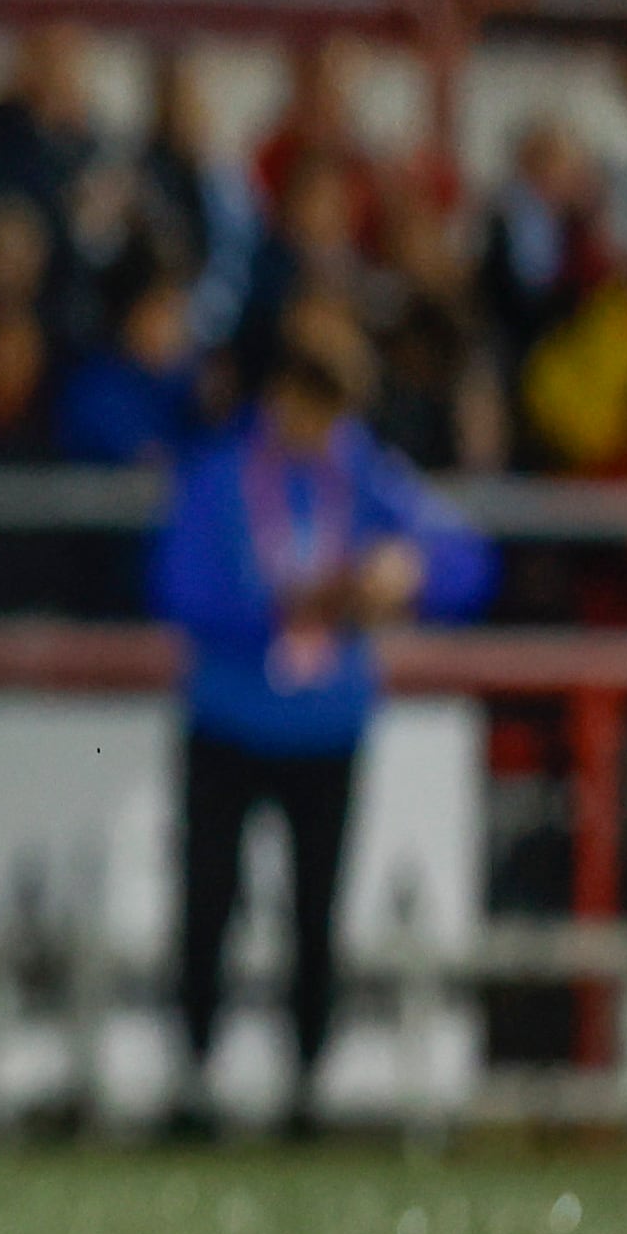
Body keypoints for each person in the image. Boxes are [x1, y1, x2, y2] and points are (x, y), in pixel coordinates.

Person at [150, 309, 491, 1135]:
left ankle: (307, 1087)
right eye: (318, 403)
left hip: (327, 730)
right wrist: (282, 607)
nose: (326, 425)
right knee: (208, 906)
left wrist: (409, 576)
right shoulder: (224, 474)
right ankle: (196, 1081)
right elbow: (175, 587)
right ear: (283, 394)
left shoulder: (362, 472)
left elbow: (471, 562)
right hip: (229, 722)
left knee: (316, 913)